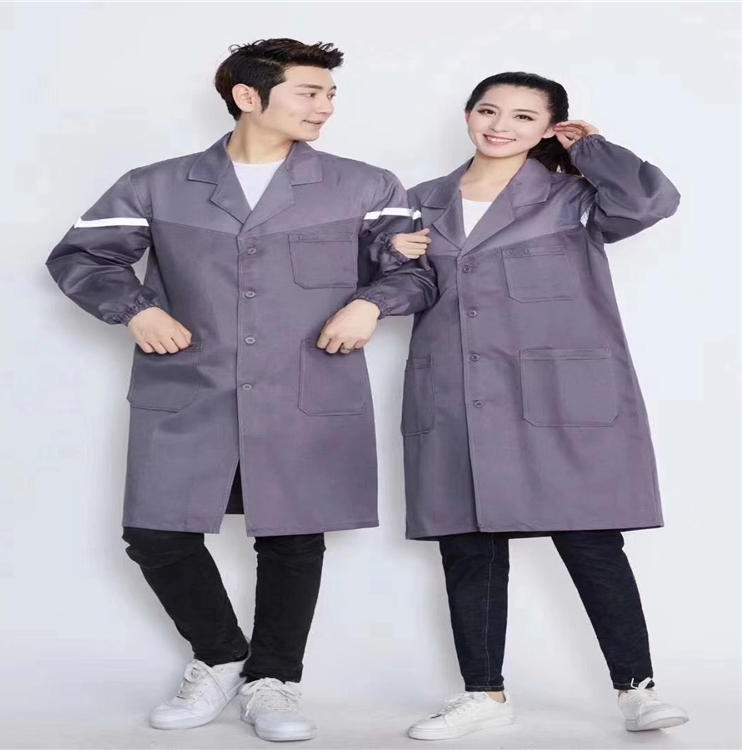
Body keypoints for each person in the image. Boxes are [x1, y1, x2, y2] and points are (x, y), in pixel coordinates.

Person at [44, 38, 435, 742]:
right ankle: (222, 656)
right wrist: (137, 309)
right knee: (155, 533)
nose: (325, 107)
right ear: (248, 97)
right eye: (309, 92)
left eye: (330, 94)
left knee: (292, 534)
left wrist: (371, 302)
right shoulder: (157, 184)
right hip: (189, 386)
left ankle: (274, 680)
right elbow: (82, 257)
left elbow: (413, 270)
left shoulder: (365, 186)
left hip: (304, 385)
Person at [327, 71, 690, 740]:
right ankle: (483, 694)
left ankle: (637, 690)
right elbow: (405, 285)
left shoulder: (574, 197)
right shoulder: (421, 202)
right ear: (468, 115)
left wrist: (591, 148)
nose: (500, 126)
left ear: (550, 127)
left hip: (559, 395)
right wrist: (384, 263)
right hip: (457, 391)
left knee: (590, 538)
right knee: (468, 543)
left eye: (524, 117)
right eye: (489, 110)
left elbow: (650, 201)